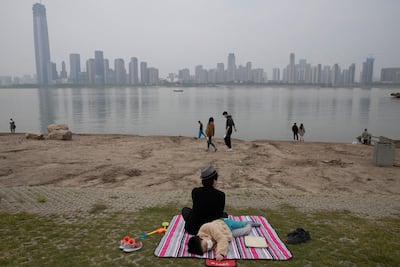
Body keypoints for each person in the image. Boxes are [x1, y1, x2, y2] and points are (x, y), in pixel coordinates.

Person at [181, 165, 227, 235]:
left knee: (185, 210)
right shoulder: (221, 195)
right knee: (224, 215)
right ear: (214, 180)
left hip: (193, 228)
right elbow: (219, 214)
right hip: (210, 229)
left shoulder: (195, 191)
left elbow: (197, 208)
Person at [187, 218, 258, 261]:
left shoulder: (207, 227)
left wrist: (220, 253)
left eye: (205, 245)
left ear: (201, 238)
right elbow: (217, 245)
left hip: (225, 224)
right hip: (227, 233)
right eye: (206, 249)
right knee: (246, 231)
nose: (208, 247)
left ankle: (247, 222)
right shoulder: (207, 242)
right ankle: (249, 225)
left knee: (238, 224)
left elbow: (222, 239)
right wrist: (217, 253)